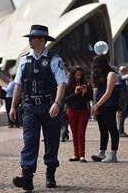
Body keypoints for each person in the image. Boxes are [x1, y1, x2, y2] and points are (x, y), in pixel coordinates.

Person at [9, 24, 67, 191]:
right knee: (29, 141)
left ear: (42, 40)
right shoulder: (24, 59)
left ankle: (50, 172)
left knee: (51, 141)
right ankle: (27, 176)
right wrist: (13, 106)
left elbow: (61, 83)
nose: (29, 40)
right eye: (29, 37)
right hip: (30, 107)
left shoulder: (54, 59)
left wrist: (57, 103)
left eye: (32, 37)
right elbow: (18, 85)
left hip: (49, 106)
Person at [91, 55, 119, 163]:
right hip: (100, 105)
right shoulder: (99, 76)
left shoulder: (111, 74)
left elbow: (108, 92)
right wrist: (95, 105)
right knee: (102, 129)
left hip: (109, 105)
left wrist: (97, 105)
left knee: (112, 129)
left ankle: (113, 154)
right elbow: (96, 91)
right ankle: (102, 152)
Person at [64, 66, 90, 163]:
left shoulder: (85, 84)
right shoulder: (68, 86)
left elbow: (88, 99)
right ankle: (76, 155)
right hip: (71, 111)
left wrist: (85, 93)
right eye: (77, 75)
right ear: (73, 75)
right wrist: (75, 93)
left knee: (81, 133)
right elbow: (65, 99)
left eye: (80, 75)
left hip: (83, 111)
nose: (79, 77)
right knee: (74, 134)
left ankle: (82, 155)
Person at [117, 66, 128, 137]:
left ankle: (119, 130)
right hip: (123, 99)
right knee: (122, 115)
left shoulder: (121, 77)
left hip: (125, 98)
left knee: (123, 115)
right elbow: (124, 77)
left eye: (125, 70)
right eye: (123, 70)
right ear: (120, 71)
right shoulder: (120, 76)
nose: (125, 71)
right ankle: (121, 131)